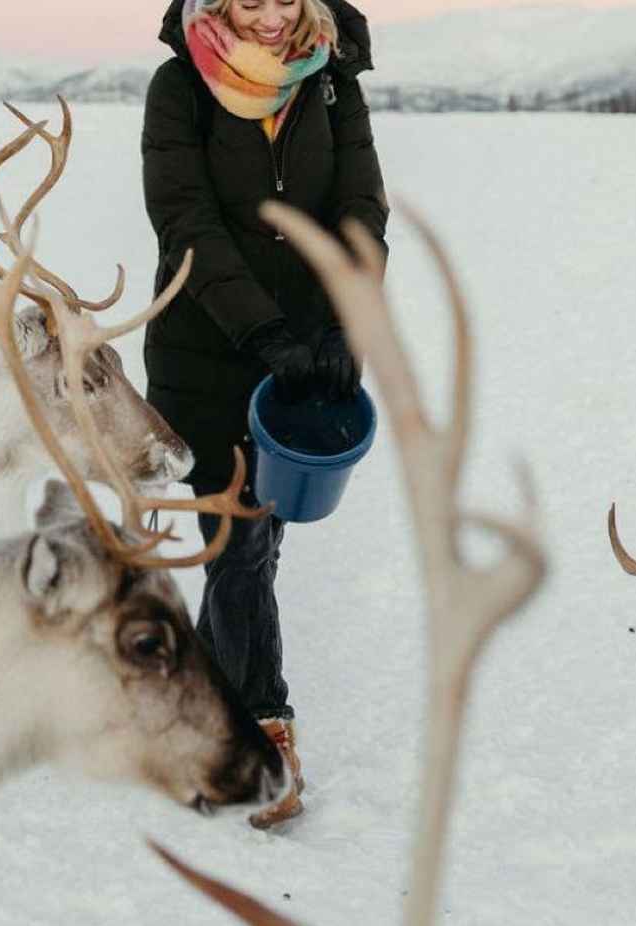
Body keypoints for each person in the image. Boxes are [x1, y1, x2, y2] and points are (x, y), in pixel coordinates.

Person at [141, 0, 388, 827]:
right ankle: (261, 741)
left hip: (309, 352)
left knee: (256, 543)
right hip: (207, 350)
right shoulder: (181, 88)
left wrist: (345, 319)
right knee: (242, 536)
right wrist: (263, 330)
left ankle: (192, 710)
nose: (273, 16)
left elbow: (361, 209)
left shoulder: (331, 84)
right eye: (250, 0)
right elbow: (185, 223)